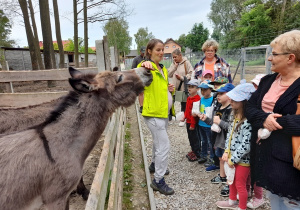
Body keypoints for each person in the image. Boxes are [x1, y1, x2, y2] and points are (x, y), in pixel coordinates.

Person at [245, 30, 300, 209]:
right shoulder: (267, 80)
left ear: (291, 58)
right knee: (275, 201)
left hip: (291, 165)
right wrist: (265, 118)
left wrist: (276, 123)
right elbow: (250, 108)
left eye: (274, 54)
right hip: (268, 159)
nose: (269, 58)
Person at [137, 39, 175, 195]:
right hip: (153, 113)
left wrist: (169, 88)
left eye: (162, 50)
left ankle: (154, 164)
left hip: (163, 112)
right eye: (158, 50)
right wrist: (143, 65)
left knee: (158, 142)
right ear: (149, 51)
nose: (161, 52)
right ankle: (158, 180)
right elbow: (139, 73)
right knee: (164, 146)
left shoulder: (162, 68)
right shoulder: (146, 67)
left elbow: (160, 88)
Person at [216, 83, 255, 210]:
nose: (231, 101)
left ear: (244, 101)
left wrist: (234, 159)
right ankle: (232, 201)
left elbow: (246, 145)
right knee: (230, 180)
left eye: (234, 99)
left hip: (242, 161)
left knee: (240, 184)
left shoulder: (248, 121)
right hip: (231, 158)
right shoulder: (235, 116)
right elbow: (229, 136)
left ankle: (242, 207)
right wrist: (227, 151)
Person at [200, 83, 234, 185]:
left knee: (228, 160)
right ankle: (222, 176)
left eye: (221, 93)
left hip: (226, 141)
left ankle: (230, 180)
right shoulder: (219, 107)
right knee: (220, 157)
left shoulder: (231, 110)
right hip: (218, 139)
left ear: (230, 95)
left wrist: (219, 122)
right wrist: (206, 119)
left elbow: (231, 128)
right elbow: (214, 122)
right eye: (217, 93)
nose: (218, 96)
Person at [168, 48, 194, 126]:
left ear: (180, 55)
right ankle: (170, 117)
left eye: (175, 57)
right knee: (171, 102)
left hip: (183, 87)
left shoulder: (186, 63)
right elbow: (169, 74)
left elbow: (191, 73)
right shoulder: (173, 64)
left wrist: (182, 78)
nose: (174, 59)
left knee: (184, 103)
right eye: (173, 57)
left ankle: (183, 119)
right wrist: (174, 67)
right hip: (174, 88)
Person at [181, 79, 201, 162]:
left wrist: (193, 124)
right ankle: (193, 150)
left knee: (195, 138)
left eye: (192, 87)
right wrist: (184, 117)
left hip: (194, 123)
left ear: (197, 89)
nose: (189, 88)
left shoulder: (197, 99)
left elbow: (194, 113)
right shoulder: (189, 98)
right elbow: (187, 109)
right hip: (188, 122)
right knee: (190, 137)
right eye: (189, 86)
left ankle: (197, 153)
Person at [196, 82, 214, 164]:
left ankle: (212, 158)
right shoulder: (201, 99)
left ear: (210, 89)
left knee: (210, 142)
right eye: (201, 90)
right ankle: (203, 155)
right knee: (203, 141)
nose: (203, 92)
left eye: (205, 90)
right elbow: (199, 109)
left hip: (209, 125)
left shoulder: (213, 99)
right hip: (201, 123)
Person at [132, 46, 146, 113]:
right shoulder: (136, 59)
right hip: (139, 78)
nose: (144, 54)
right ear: (140, 52)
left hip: (147, 78)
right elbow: (133, 69)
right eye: (142, 52)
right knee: (141, 93)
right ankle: (141, 106)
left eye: (145, 52)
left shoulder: (148, 58)